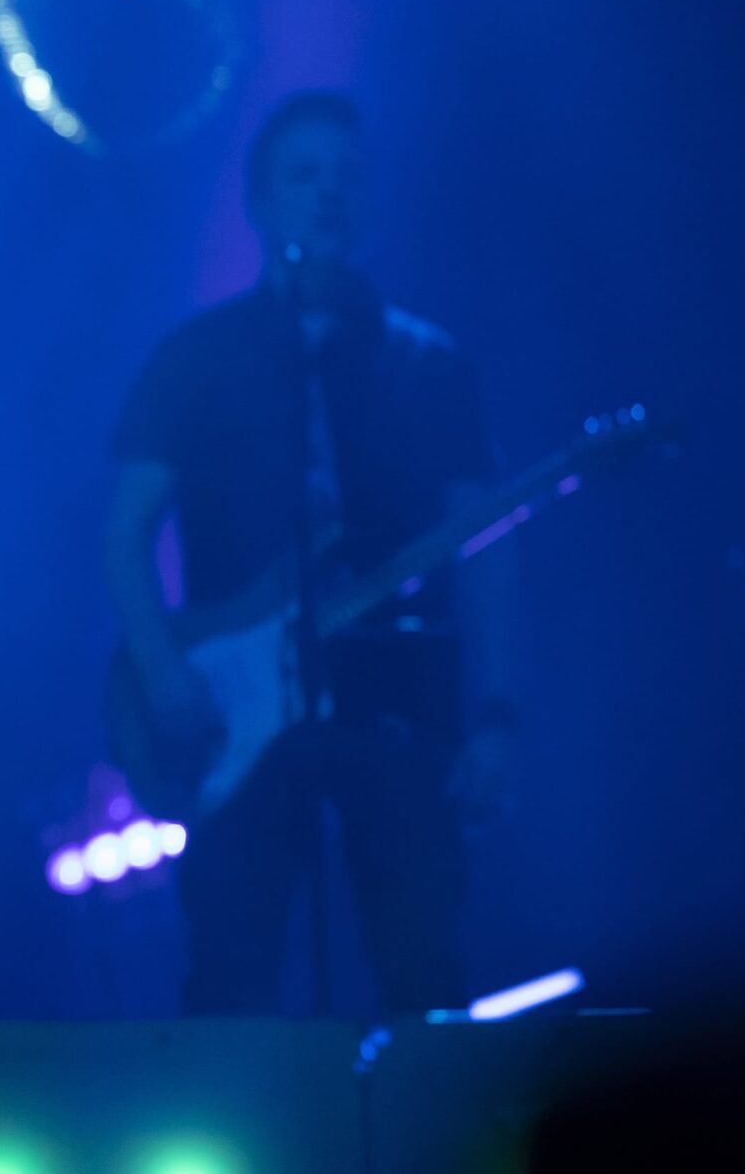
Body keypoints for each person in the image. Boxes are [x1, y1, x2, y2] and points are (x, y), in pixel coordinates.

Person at [102, 91, 514, 1014]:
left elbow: (489, 549)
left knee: (423, 971)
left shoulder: (430, 361)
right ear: (260, 202)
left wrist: (498, 714)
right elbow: (125, 532)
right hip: (235, 714)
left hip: (399, 705)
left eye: (347, 175)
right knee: (232, 974)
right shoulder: (196, 357)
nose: (328, 193)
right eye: (304, 174)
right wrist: (164, 673)